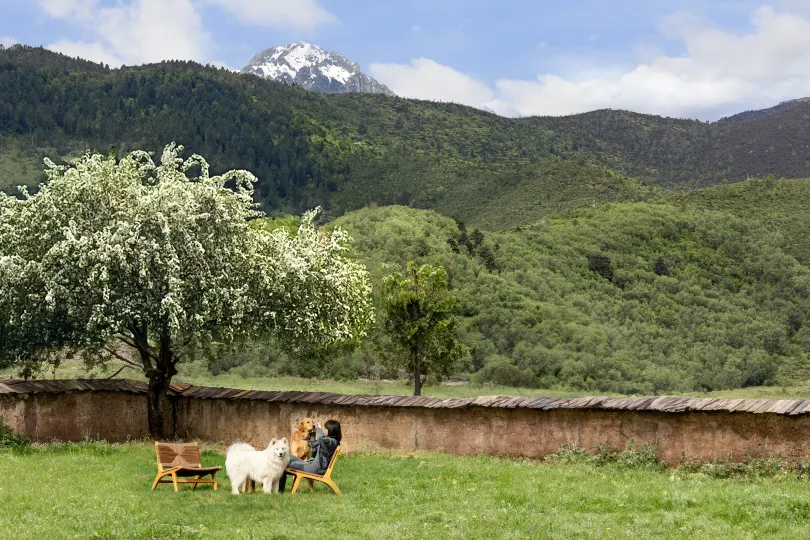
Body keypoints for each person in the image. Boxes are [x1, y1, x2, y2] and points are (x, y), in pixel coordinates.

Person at [279, 419, 342, 492]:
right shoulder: (329, 440)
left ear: (331, 430)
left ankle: (279, 490)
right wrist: (312, 434)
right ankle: (273, 482)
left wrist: (319, 428)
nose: (325, 430)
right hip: (311, 464)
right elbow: (315, 448)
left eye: (326, 429)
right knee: (286, 457)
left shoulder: (332, 441)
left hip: (314, 468)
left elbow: (321, 439)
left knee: (283, 464)